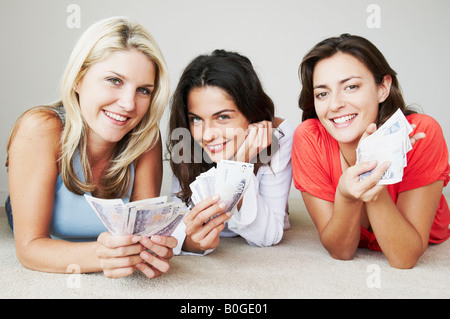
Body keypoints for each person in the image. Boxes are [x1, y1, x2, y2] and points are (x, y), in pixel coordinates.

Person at [5, 17, 177, 278]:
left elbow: (142, 238)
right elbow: (29, 248)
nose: (129, 104)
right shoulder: (40, 129)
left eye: (143, 90)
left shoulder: (145, 137)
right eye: (114, 80)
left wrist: (151, 250)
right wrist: (104, 255)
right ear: (78, 79)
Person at [292, 34, 450, 269]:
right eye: (322, 94)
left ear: (383, 88)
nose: (335, 105)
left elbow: (404, 257)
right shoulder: (309, 138)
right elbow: (341, 251)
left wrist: (372, 176)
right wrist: (346, 196)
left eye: (351, 87)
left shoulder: (422, 132)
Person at [167, 49, 293, 255]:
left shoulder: (278, 134)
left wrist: (240, 165)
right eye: (196, 119)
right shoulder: (188, 140)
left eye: (222, 117)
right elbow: (180, 227)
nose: (206, 135)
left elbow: (268, 235)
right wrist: (194, 243)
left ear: (251, 113)